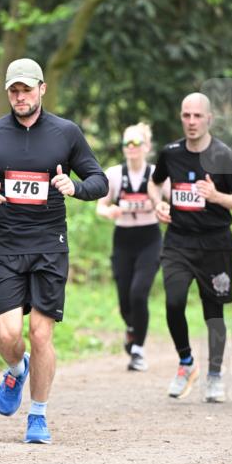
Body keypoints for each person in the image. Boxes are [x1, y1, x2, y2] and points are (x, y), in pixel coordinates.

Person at [0, 58, 108, 444]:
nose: (20, 97)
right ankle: (15, 368)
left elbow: (99, 180)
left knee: (41, 335)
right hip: (8, 246)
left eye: (26, 89)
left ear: (42, 89)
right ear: (8, 93)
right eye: (14, 91)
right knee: (8, 334)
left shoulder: (66, 133)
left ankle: (38, 415)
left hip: (49, 247)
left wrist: (76, 188)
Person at [148, 93, 232, 402]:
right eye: (186, 116)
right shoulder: (171, 153)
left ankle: (215, 375)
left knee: (213, 313)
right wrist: (158, 204)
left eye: (197, 116)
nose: (191, 122)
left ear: (209, 119)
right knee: (174, 302)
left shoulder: (223, 156)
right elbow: (155, 183)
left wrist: (217, 196)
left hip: (215, 244)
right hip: (178, 240)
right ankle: (185, 362)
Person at [96, 123, 163, 372]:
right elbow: (100, 206)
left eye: (136, 143)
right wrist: (109, 211)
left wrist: (164, 208)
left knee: (138, 293)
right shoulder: (114, 174)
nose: (131, 148)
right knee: (125, 299)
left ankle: (138, 351)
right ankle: (132, 329)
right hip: (123, 239)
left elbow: (171, 201)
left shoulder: (157, 174)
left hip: (150, 239)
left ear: (146, 147)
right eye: (127, 144)